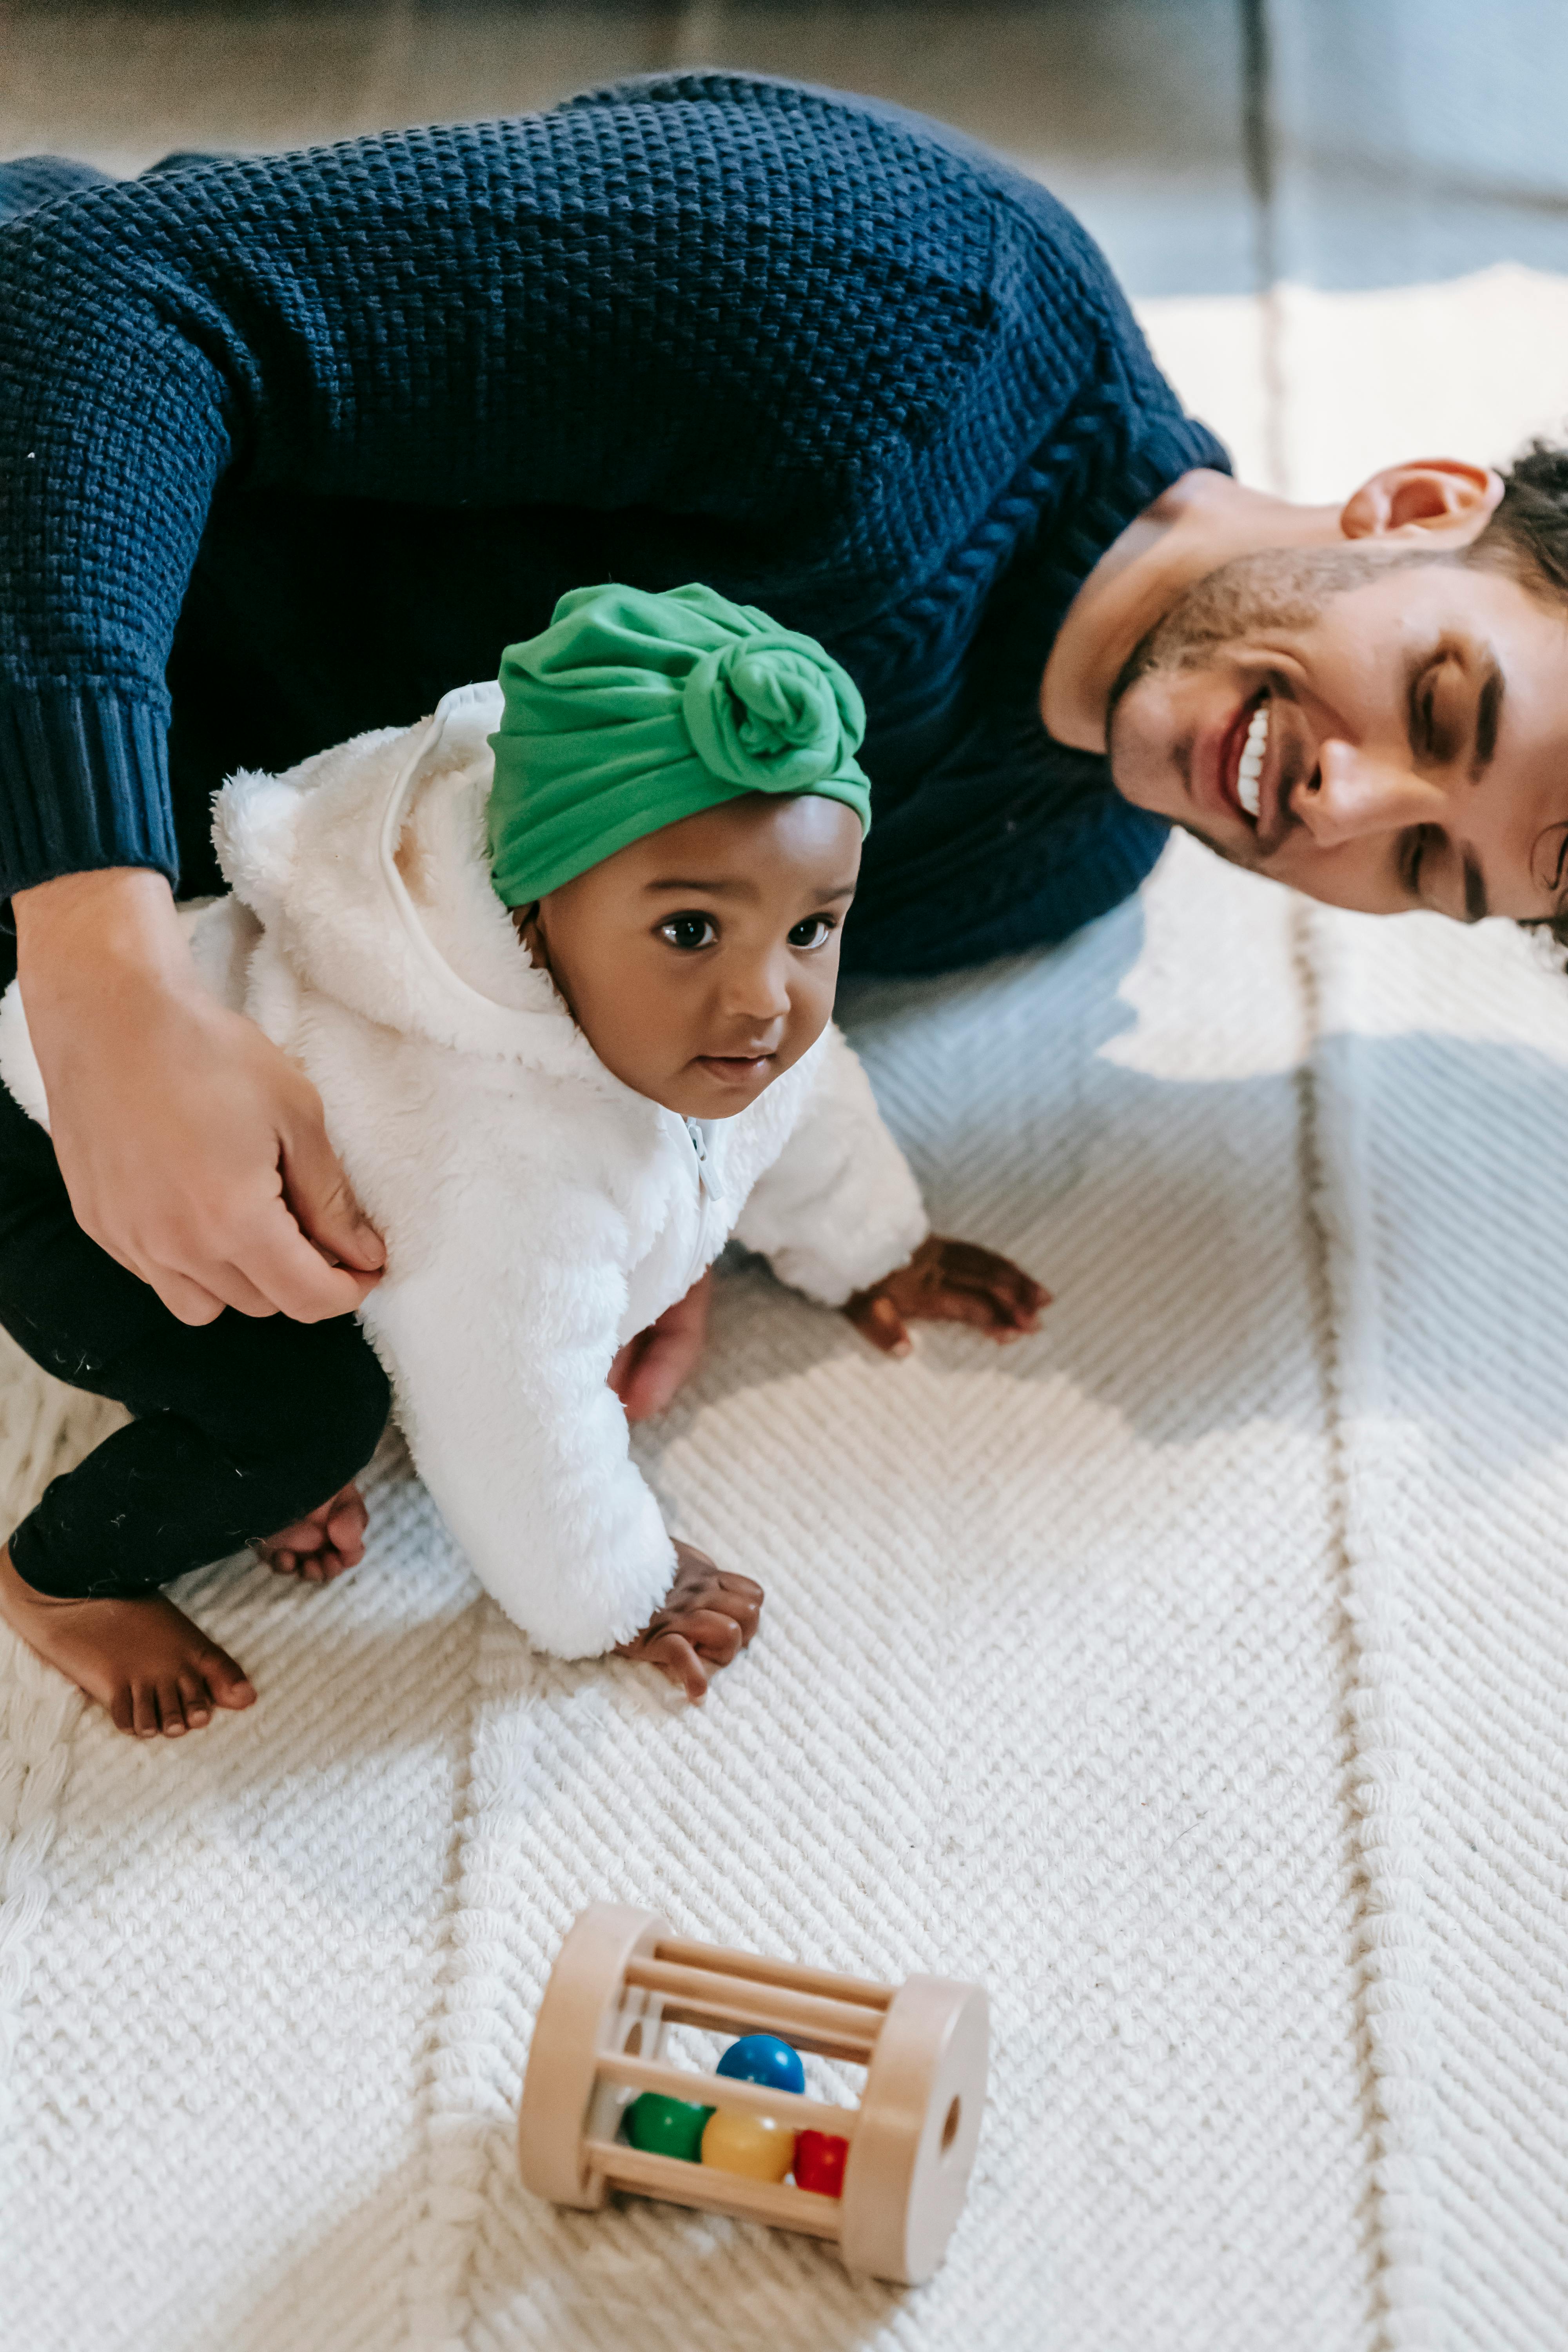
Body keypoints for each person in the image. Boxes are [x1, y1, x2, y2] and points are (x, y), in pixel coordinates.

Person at [1, 73, 1563, 1686]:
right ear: (1423, 508)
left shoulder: (1050, 863)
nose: (1347, 800)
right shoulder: (901, 290)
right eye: (1441, 703)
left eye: (1428, 861)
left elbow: (622, 996)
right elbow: (104, 299)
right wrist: (100, 974)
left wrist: (654, 1182)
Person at [0, 579, 1045, 1731]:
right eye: (691, 930)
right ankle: (61, 1579)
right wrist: (624, 1592)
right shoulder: (496, 1153)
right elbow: (509, 1417)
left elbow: (806, 1100)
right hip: (62, 1159)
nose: (764, 998)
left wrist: (877, 1248)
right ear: (536, 908)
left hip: (275, 1157)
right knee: (305, 1415)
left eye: (810, 929)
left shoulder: (721, 1021)